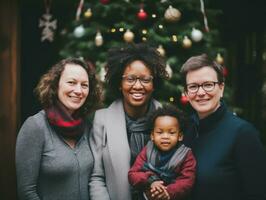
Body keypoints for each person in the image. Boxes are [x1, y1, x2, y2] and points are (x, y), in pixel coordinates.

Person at [180, 53, 266, 200]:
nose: (201, 93)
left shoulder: (243, 134)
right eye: (193, 86)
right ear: (186, 93)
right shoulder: (185, 130)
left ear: (221, 88)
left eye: (208, 85)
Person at [89, 43, 169, 200]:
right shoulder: (101, 120)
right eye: (130, 79)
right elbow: (96, 177)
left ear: (154, 84)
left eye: (145, 79)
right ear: (120, 83)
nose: (138, 86)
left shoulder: (168, 119)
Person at [16, 58, 101, 200]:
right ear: (56, 85)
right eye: (71, 82)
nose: (79, 90)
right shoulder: (35, 126)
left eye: (84, 85)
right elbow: (26, 192)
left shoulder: (88, 127)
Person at [128, 105, 196, 200]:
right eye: (160, 132)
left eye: (171, 133)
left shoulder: (186, 155)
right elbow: (133, 174)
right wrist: (151, 181)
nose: (165, 136)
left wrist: (168, 192)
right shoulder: (147, 150)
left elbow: (187, 181)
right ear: (152, 136)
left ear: (180, 136)